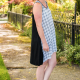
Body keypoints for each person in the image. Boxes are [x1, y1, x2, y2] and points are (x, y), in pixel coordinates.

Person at [31, 0, 57, 80]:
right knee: (42, 64)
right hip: (43, 39)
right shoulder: (38, 5)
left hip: (51, 38)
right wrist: (44, 43)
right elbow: (38, 25)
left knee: (52, 63)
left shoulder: (45, 3)